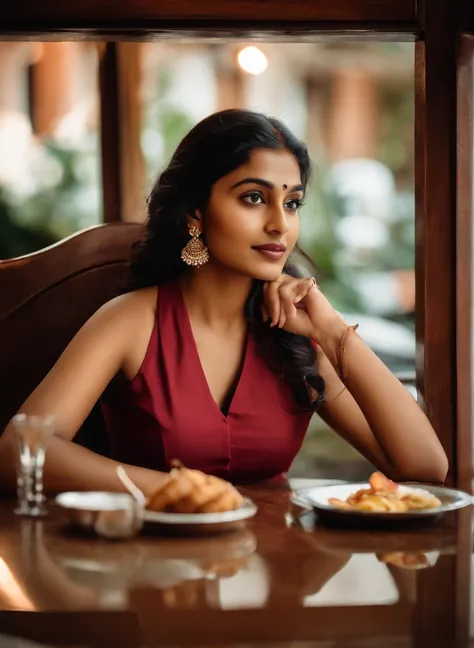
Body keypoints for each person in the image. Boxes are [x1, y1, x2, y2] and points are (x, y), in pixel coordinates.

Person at [0, 109, 448, 496]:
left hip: (281, 573)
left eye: (292, 203)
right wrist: (173, 491)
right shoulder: (132, 320)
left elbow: (425, 467)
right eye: (254, 198)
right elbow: (18, 452)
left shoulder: (299, 338)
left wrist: (331, 331)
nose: (279, 225)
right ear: (195, 212)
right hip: (149, 569)